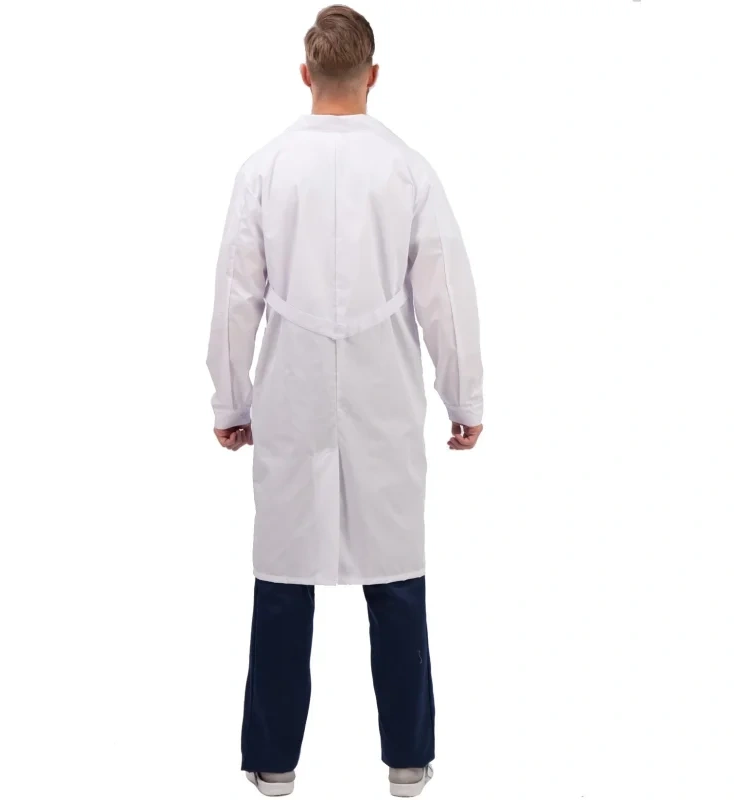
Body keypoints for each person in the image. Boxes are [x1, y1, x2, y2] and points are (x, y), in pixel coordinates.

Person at [207, 5, 484, 796]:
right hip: (383, 395)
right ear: (374, 75)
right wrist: (464, 396)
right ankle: (409, 759)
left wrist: (231, 400)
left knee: (283, 581)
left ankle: (272, 762)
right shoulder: (408, 171)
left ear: (305, 74)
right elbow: (446, 298)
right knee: (395, 578)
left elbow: (234, 298)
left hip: (289, 394)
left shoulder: (264, 170)